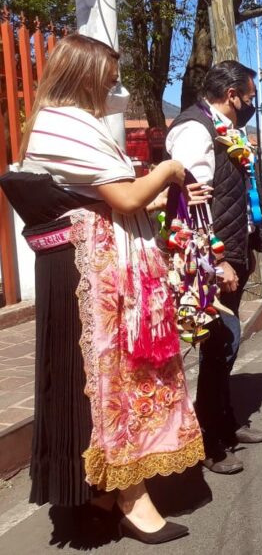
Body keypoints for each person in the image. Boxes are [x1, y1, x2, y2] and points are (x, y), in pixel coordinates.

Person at [0, 34, 204, 544]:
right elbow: (127, 197)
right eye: (109, 77)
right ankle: (129, 496)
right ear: (86, 76)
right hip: (90, 274)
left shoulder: (59, 123)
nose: (116, 87)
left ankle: (101, 491)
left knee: (100, 383)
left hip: (87, 268)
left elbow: (107, 199)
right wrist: (169, 170)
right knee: (112, 382)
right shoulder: (66, 125)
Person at [166, 61, 262, 474]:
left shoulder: (225, 130)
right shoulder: (195, 130)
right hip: (210, 257)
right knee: (218, 342)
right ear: (233, 95)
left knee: (223, 347)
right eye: (250, 96)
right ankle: (207, 442)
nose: (251, 104)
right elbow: (194, 201)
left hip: (230, 250)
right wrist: (219, 259)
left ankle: (224, 424)